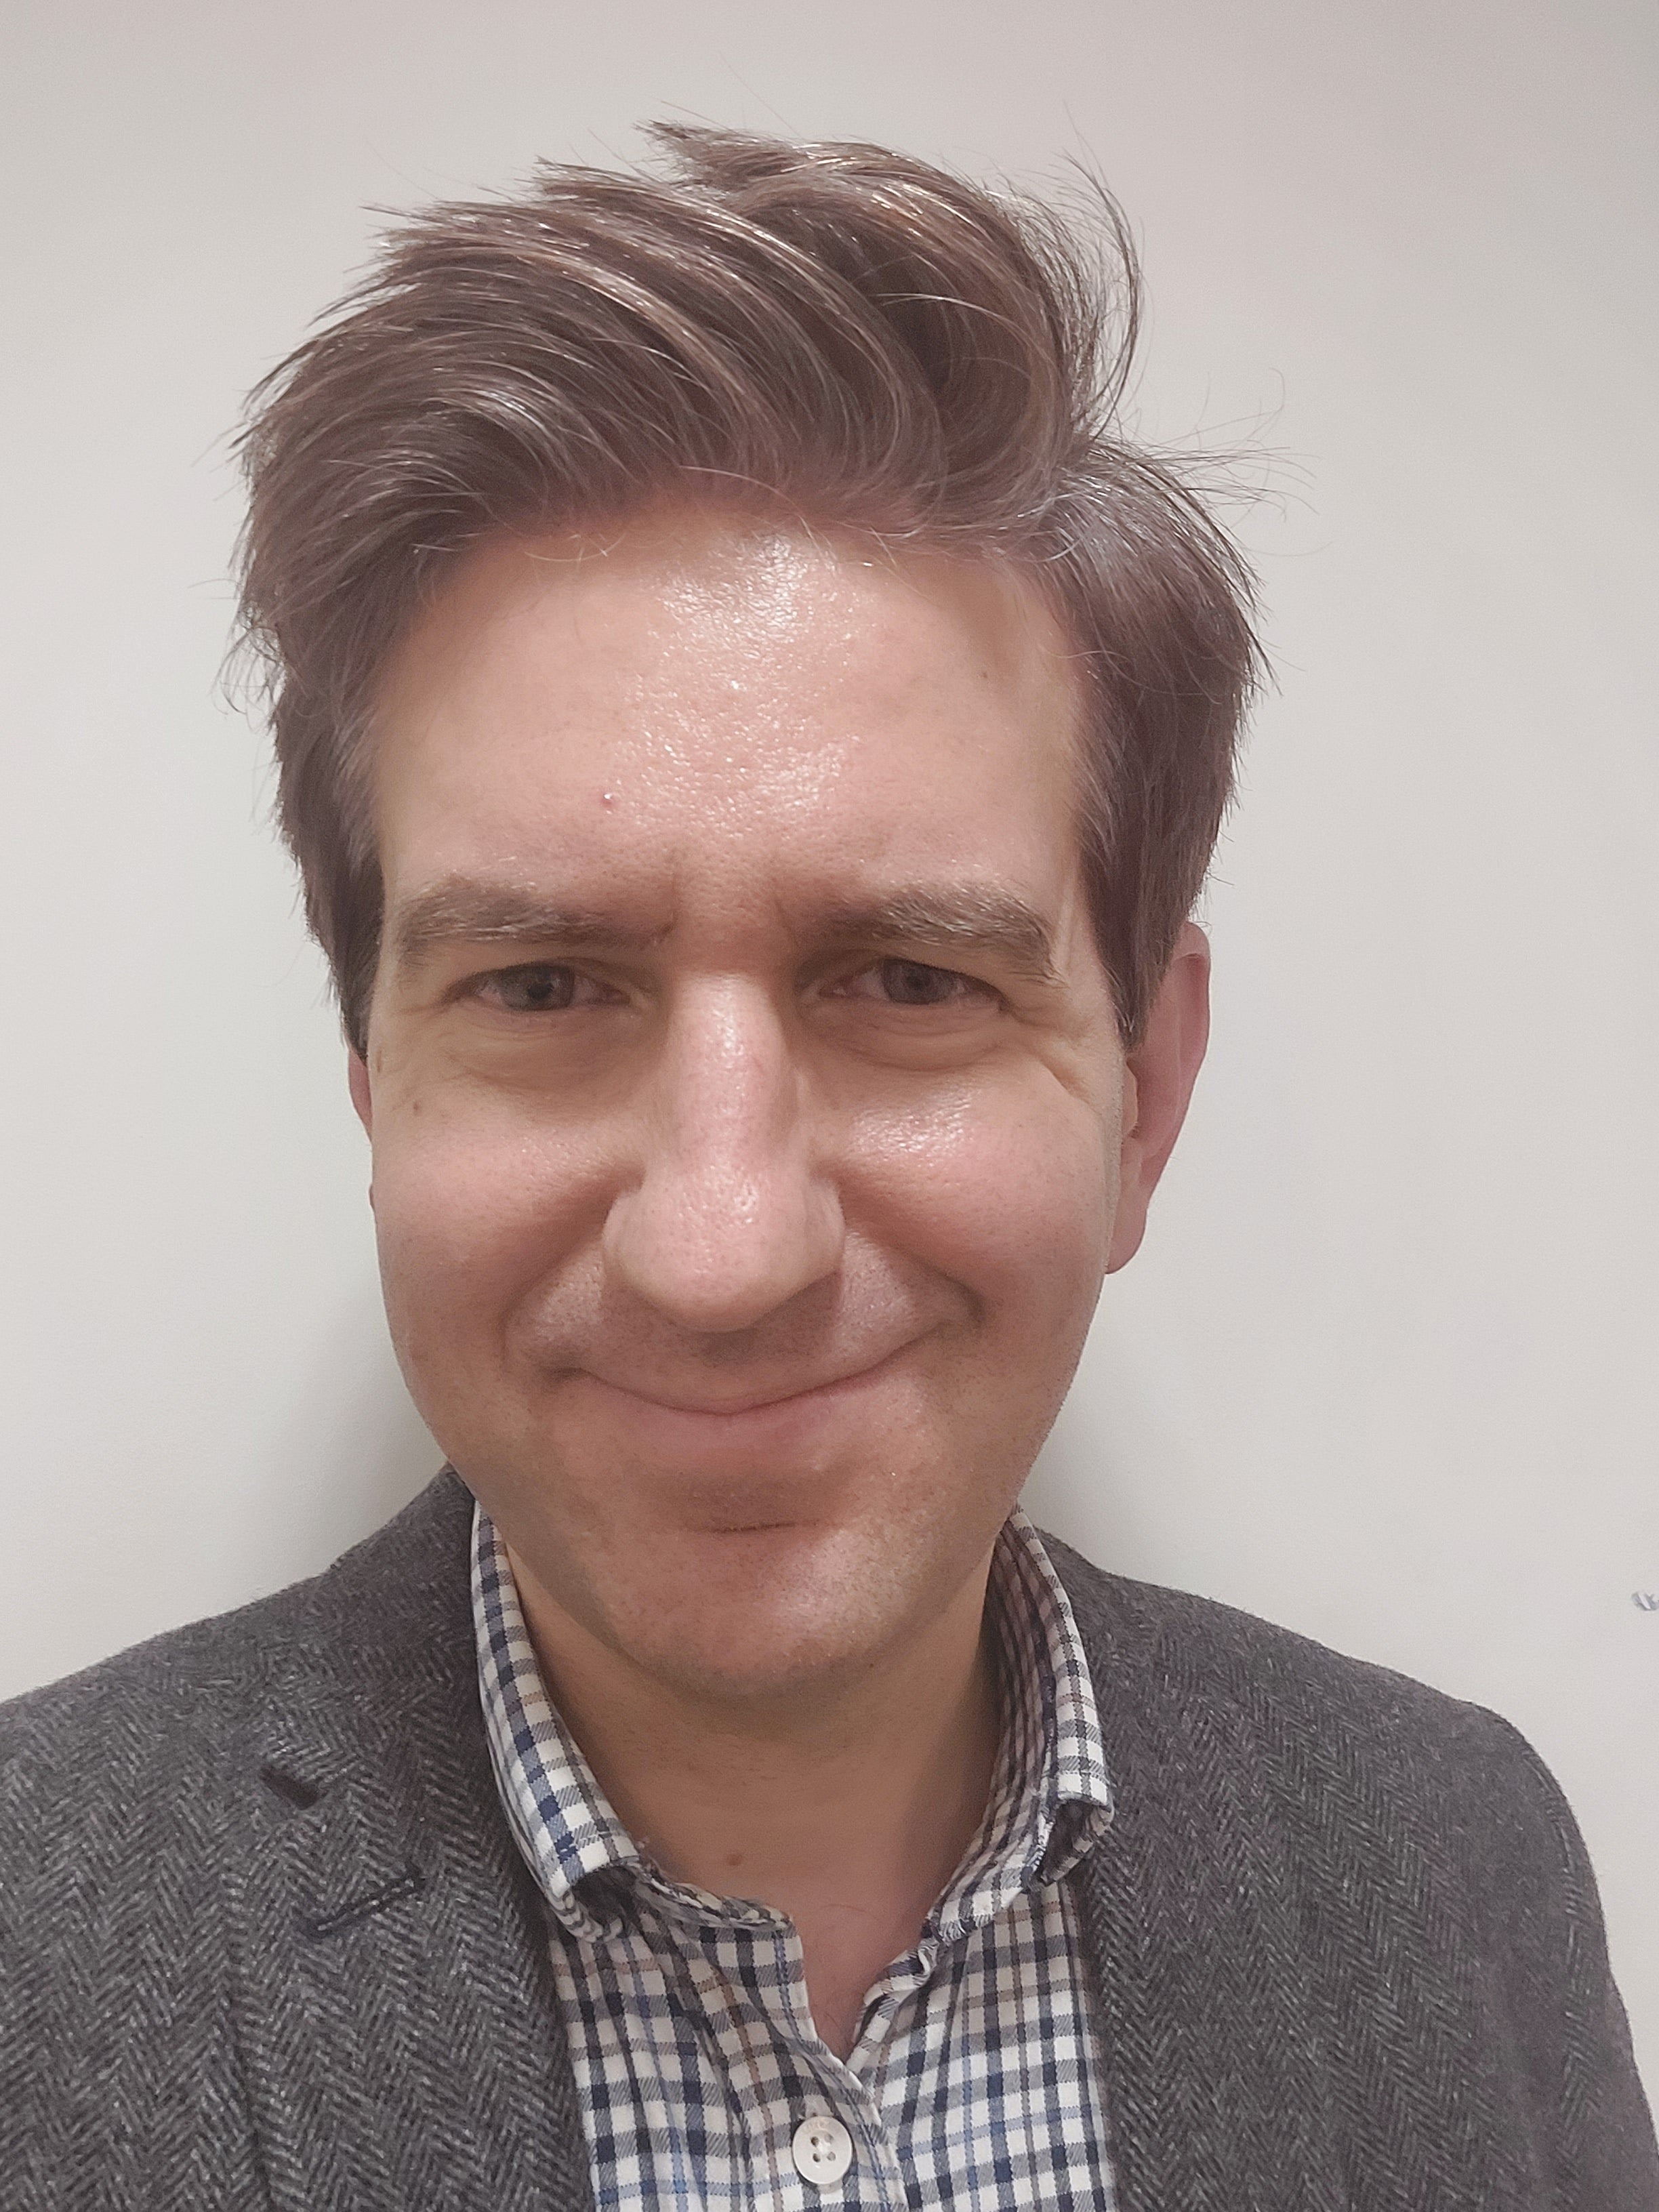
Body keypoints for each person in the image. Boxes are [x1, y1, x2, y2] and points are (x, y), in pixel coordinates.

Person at [2, 122, 1653, 2211]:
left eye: (908, 980)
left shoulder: (1458, 1868)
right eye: (541, 987)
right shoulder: (34, 1950)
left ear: (1145, 1094)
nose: (722, 1249)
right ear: (372, 1075)